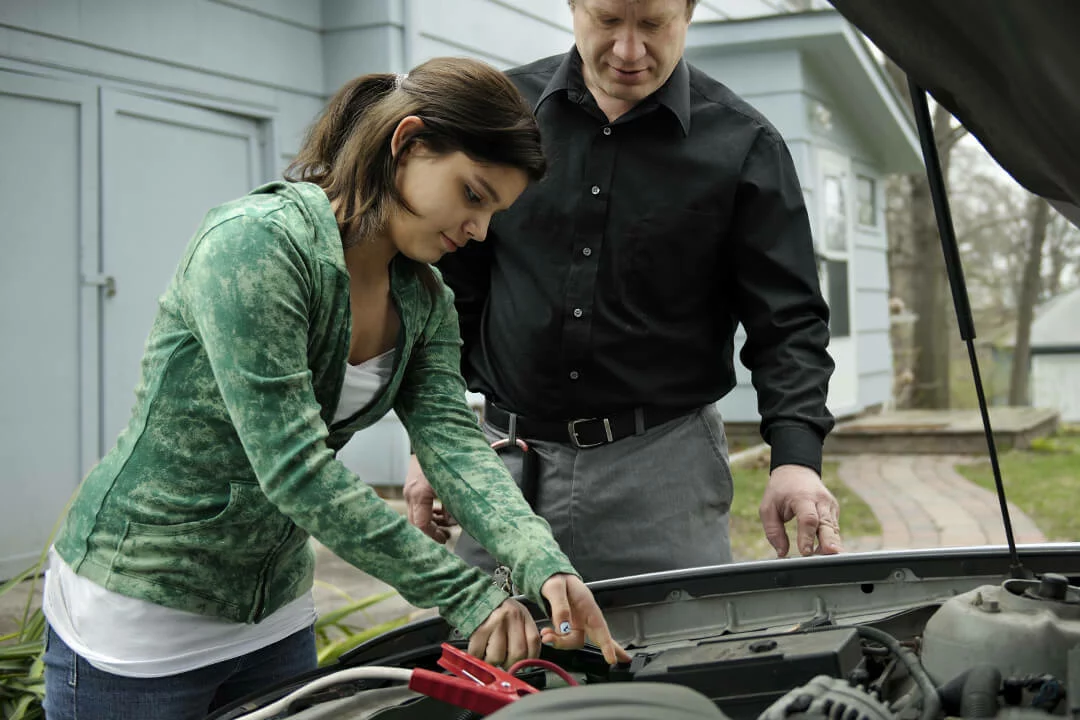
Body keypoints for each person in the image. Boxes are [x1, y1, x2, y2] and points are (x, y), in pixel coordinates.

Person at [41, 57, 629, 720]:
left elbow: (452, 443)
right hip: (142, 607)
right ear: (407, 142)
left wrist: (544, 566)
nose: (479, 231)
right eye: (472, 194)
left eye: (494, 212)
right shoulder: (256, 246)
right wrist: (466, 594)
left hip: (274, 612)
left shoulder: (424, 295)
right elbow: (296, 470)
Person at [405, 0, 844, 583]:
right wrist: (431, 442)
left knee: (670, 667)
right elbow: (446, 296)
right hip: (498, 464)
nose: (630, 50)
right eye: (608, 21)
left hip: (662, 474)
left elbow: (787, 323)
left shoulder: (745, 145)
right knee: (490, 667)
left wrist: (795, 460)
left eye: (653, 24)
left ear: (687, 12)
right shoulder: (501, 120)